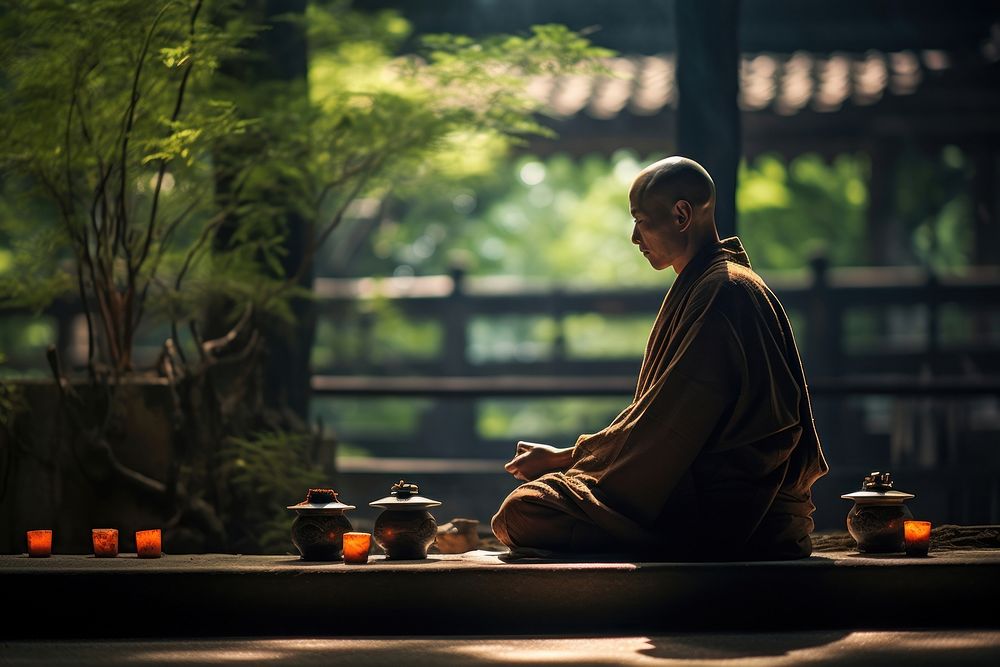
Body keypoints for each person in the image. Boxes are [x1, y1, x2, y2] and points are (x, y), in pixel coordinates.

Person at [491, 156, 829, 561]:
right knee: (527, 511)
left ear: (682, 214)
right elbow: (664, 419)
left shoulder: (724, 292)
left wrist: (569, 458)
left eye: (640, 219)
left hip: (729, 513)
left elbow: (668, 426)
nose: (635, 236)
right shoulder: (709, 285)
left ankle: (675, 549)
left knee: (522, 513)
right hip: (721, 498)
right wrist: (570, 460)